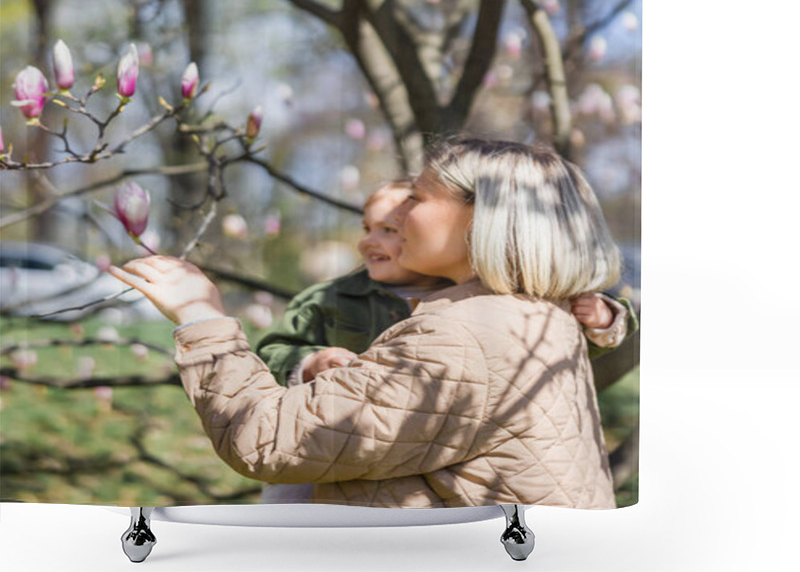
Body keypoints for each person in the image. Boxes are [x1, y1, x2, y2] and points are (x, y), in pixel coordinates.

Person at [109, 139, 623, 508]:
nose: (400, 217)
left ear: (480, 217)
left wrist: (200, 314)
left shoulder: (460, 338)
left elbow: (267, 439)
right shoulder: (539, 312)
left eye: (418, 199)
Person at [258, 180, 635, 387]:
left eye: (390, 229)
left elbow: (544, 352)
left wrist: (604, 319)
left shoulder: (473, 295)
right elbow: (272, 350)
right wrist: (311, 363)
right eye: (367, 228)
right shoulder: (332, 297)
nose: (370, 241)